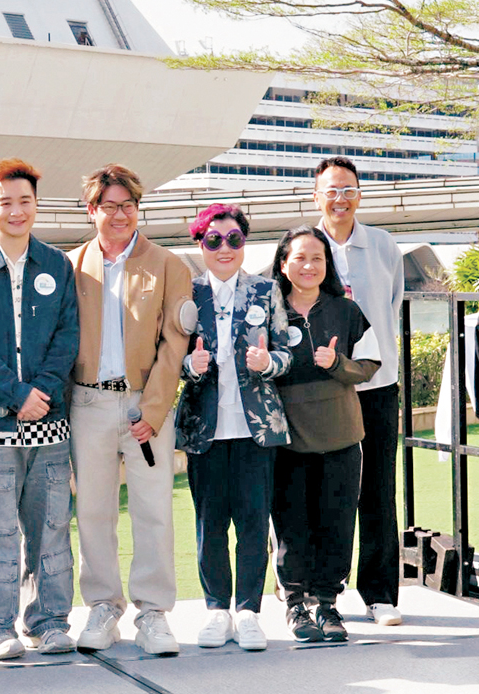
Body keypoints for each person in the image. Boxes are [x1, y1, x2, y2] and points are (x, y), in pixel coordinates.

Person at [0, 158, 80, 661]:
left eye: (25, 201)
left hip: (49, 424)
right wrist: (15, 394)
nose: (16, 210)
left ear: (36, 205)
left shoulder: (56, 265)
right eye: (6, 202)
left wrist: (41, 392)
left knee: (51, 530)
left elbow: (67, 335)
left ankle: (49, 621)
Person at [68, 164, 193, 656]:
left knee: (153, 509)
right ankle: (103, 606)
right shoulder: (71, 265)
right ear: (91, 209)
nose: (120, 215)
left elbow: (174, 343)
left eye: (128, 205)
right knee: (93, 510)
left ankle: (154, 613)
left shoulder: (168, 264)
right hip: (88, 403)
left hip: (145, 403)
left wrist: (154, 409)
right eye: (109, 206)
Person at [174, 204, 292, 652]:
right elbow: (167, 358)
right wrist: (190, 365)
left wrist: (268, 362)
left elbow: (286, 353)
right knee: (210, 524)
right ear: (200, 244)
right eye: (213, 239)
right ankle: (216, 610)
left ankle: (248, 611)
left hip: (255, 427)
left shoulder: (266, 289)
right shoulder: (186, 293)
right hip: (204, 427)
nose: (224, 248)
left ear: (245, 243)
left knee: (253, 522)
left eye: (234, 239)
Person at [270, 224, 382, 643]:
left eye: (317, 258)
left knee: (336, 522)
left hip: (340, 435)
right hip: (287, 438)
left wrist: (337, 363)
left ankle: (328, 604)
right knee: (291, 524)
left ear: (327, 265)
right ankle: (296, 604)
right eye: (299, 257)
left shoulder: (346, 310)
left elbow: (370, 364)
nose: (309, 266)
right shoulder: (267, 311)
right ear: (283, 264)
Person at [313, 156, 404, 627]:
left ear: (359, 195)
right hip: (323, 391)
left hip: (378, 384)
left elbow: (391, 305)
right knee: (323, 489)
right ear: (316, 197)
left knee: (378, 489)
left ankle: (379, 593)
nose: (340, 199)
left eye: (348, 190)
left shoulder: (383, 245)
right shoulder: (305, 246)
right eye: (331, 191)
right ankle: (317, 591)